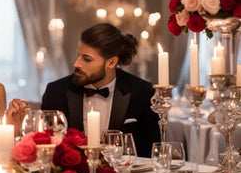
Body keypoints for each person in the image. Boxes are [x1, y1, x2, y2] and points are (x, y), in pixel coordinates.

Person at [41, 23, 160, 157]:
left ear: (111, 62)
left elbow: (152, 152)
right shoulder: (56, 92)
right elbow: (44, 146)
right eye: (78, 55)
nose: (76, 64)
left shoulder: (142, 92)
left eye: (87, 59)